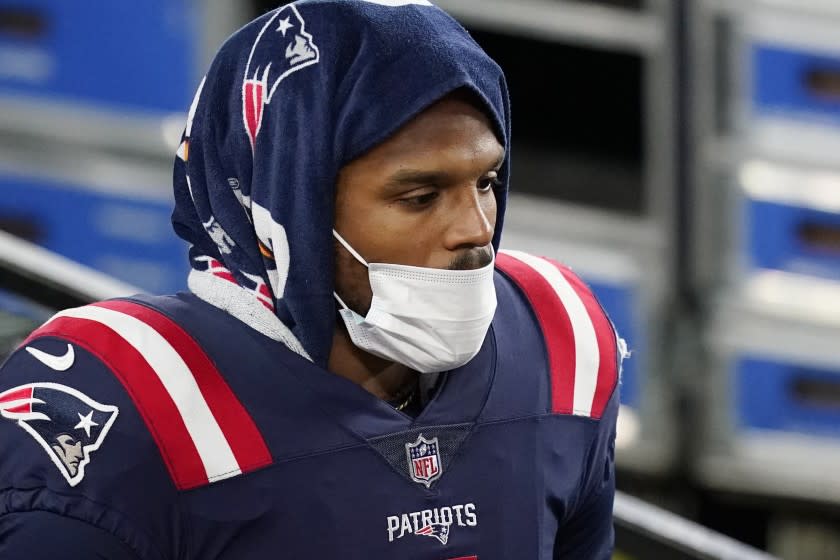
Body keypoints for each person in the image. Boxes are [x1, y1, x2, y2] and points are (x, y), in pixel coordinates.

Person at [0, 1, 624, 558]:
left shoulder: (558, 338)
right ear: (286, 205)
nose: (476, 228)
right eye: (420, 195)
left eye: (486, 182)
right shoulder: (129, 403)